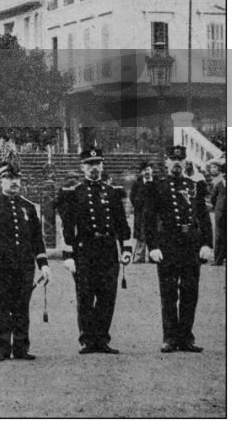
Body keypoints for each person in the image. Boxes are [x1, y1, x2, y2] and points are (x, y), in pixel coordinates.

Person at [57, 146, 132, 354]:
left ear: (102, 165)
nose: (94, 168)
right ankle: (87, 339)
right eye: (90, 164)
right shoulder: (74, 193)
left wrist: (125, 248)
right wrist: (68, 256)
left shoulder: (112, 192)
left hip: (108, 251)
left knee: (107, 296)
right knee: (85, 296)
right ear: (82, 167)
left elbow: (121, 223)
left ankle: (102, 339)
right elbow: (67, 227)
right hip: (85, 251)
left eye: (97, 163)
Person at [0, 161, 50, 362]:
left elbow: (37, 238)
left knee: (22, 306)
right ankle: (2, 348)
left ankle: (21, 347)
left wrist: (43, 264)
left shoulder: (29, 207)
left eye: (17, 178)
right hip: (1, 266)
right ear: (0, 180)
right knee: (2, 306)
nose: (14, 182)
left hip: (24, 266)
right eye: (9, 178)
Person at [145, 145, 214, 352]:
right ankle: (170, 337)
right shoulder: (158, 187)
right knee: (168, 293)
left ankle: (186, 338)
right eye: (173, 159)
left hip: (191, 246)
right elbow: (149, 219)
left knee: (189, 292)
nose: (177, 163)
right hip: (168, 246)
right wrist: (153, 246)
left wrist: (207, 244)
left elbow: (203, 217)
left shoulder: (194, 186)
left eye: (180, 160)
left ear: (185, 162)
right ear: (166, 162)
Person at [129, 161, 155, 263]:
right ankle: (139, 257)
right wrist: (139, 206)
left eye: (148, 169)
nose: (147, 172)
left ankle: (154, 256)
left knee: (155, 234)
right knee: (141, 235)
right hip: (142, 215)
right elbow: (132, 197)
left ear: (152, 171)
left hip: (155, 214)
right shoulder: (137, 184)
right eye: (144, 170)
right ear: (141, 172)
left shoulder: (157, 183)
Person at [207, 160, 226, 265]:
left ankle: (219, 258)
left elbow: (213, 197)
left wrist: (215, 206)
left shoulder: (218, 182)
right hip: (222, 210)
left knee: (219, 235)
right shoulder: (219, 181)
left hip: (221, 211)